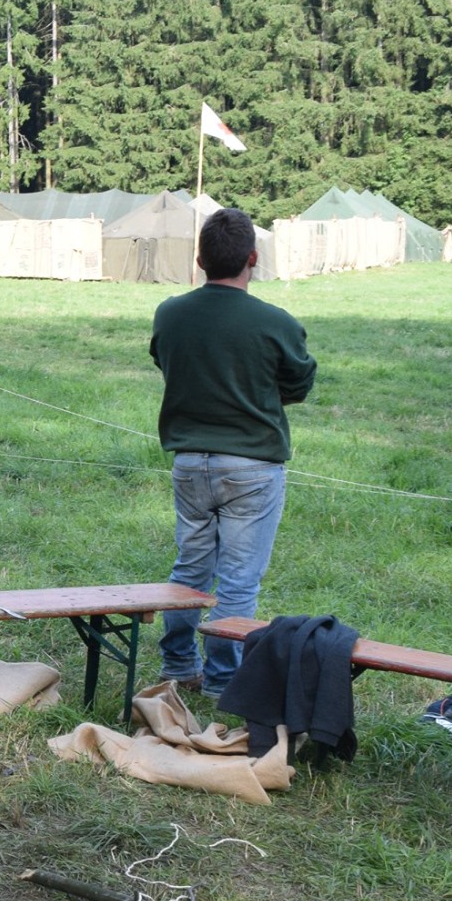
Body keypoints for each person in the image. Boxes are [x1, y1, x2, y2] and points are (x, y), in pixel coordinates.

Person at [152, 206, 316, 697]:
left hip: (189, 462)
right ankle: (223, 680)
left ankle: (179, 665)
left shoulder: (171, 312)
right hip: (252, 465)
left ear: (199, 260)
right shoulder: (275, 321)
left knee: (189, 570)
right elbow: (299, 382)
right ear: (253, 258)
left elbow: (167, 362)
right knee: (239, 580)